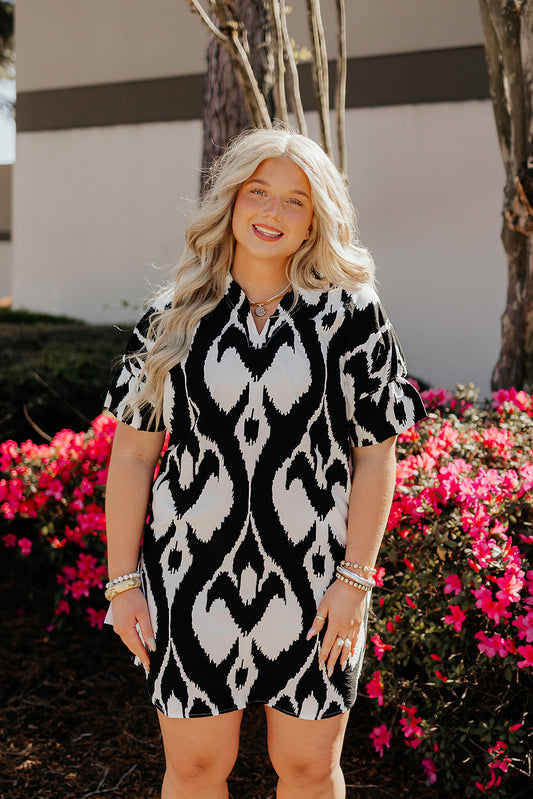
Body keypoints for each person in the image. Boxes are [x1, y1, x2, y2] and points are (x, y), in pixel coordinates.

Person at [103, 127, 426, 799]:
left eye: (294, 201)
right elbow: (133, 456)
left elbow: (376, 455)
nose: (271, 213)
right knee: (194, 770)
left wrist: (354, 582)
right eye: (258, 192)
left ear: (316, 219)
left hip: (316, 583)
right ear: (229, 200)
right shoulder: (172, 316)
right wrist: (122, 583)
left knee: (308, 770)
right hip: (189, 582)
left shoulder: (351, 315)